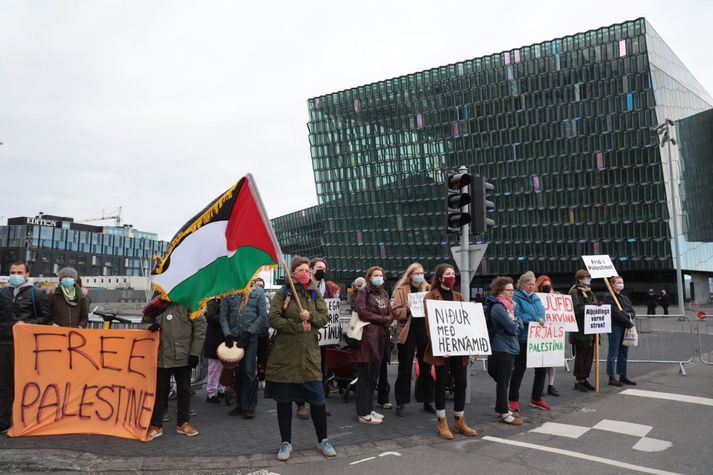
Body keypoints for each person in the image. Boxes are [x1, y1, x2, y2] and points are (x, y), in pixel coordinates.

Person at [264, 256, 336, 461]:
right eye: (300, 270)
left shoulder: (314, 293)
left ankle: (323, 439)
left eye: (307, 270)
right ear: (292, 273)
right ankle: (285, 442)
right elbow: (273, 318)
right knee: (284, 400)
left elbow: (323, 318)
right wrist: (297, 325)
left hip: (309, 356)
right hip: (285, 357)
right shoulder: (283, 293)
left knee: (317, 400)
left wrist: (310, 317)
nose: (304, 273)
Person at [424, 264, 478, 439]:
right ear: (440, 278)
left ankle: (459, 419)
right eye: (448, 274)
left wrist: (472, 343)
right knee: (441, 383)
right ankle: (442, 421)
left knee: (461, 383)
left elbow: (464, 323)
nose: (451, 277)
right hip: (442, 350)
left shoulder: (459, 297)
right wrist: (440, 345)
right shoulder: (431, 297)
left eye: (453, 274)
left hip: (458, 348)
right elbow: (429, 325)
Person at [142, 298, 206, 440]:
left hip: (183, 356)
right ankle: (156, 425)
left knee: (184, 390)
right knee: (159, 391)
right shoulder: (156, 304)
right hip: (161, 356)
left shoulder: (190, 302)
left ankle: (183, 422)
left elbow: (200, 327)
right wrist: (149, 327)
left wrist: (194, 353)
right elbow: (144, 323)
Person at [0, 261, 51, 432]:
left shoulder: (36, 294)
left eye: (19, 272)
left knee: (25, 384)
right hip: (4, 344)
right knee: (4, 384)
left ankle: (24, 420)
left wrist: (26, 323)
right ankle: (4, 421)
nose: (15, 275)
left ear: (27, 274)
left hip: (26, 347)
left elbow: (46, 318)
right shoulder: (3, 292)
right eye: (13, 271)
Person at [294, 258, 337, 420]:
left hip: (323, 336)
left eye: (324, 268)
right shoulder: (304, 287)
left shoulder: (328, 289)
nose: (322, 271)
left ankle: (319, 402)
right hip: (306, 335)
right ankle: (301, 404)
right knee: (303, 368)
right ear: (311, 269)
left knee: (320, 369)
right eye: (319, 268)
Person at [392, 262, 435, 417]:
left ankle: (426, 400)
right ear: (410, 275)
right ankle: (401, 402)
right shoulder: (401, 290)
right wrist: (407, 309)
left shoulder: (428, 288)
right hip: (408, 332)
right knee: (404, 368)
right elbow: (395, 312)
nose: (419, 275)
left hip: (424, 332)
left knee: (426, 367)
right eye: (416, 273)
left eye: (421, 272)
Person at [221, 279, 268, 419]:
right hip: (234, 338)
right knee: (238, 371)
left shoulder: (258, 291)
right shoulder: (228, 292)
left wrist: (250, 332)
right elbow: (223, 316)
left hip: (251, 337)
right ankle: (240, 404)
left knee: (248, 370)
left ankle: (250, 406)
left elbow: (262, 316)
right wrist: (227, 334)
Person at [354, 266, 394, 424]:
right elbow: (362, 312)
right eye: (375, 275)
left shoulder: (384, 293)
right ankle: (362, 412)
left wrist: (387, 318)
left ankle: (369, 408)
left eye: (381, 275)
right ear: (369, 277)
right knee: (365, 376)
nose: (379, 277)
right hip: (368, 339)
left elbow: (391, 312)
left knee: (373, 376)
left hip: (382, 338)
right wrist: (383, 319)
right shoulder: (364, 292)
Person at [509, 271, 549, 412]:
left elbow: (542, 314)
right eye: (528, 284)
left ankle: (536, 398)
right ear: (521, 284)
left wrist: (543, 320)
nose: (531, 287)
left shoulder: (536, 298)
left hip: (538, 338)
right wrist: (536, 320)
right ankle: (513, 399)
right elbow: (518, 315)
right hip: (523, 338)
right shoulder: (516, 297)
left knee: (542, 369)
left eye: (533, 284)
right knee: (519, 369)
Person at [485, 276, 522, 426]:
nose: (512, 293)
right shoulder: (499, 308)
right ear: (500, 290)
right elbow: (513, 327)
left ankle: (502, 408)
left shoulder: (509, 306)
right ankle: (503, 412)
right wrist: (516, 323)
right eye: (508, 290)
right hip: (502, 348)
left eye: (513, 290)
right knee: (503, 382)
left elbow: (517, 323)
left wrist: (516, 323)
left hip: (509, 347)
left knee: (503, 381)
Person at [603, 276, 637, 387]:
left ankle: (623, 375)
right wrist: (627, 320)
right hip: (615, 327)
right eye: (618, 282)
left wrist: (628, 315)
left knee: (623, 352)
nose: (621, 284)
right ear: (612, 284)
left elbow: (632, 311)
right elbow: (614, 312)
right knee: (613, 352)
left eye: (622, 282)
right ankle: (611, 377)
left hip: (625, 327)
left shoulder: (624, 298)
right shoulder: (609, 297)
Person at [568, 270, 597, 392]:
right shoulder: (574, 291)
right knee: (581, 355)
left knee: (589, 355)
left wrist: (597, 305)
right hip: (580, 329)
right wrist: (591, 307)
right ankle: (578, 380)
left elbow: (594, 302)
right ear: (580, 279)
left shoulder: (589, 291)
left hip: (590, 328)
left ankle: (585, 379)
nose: (588, 279)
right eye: (586, 277)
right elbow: (576, 309)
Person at [535, 275, 559, 397]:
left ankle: (551, 384)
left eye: (549, 285)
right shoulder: (536, 298)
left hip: (553, 331)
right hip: (542, 331)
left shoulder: (554, 296)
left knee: (552, 361)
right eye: (545, 285)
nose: (548, 287)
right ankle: (541, 386)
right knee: (542, 361)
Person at [203, 298, 226, 404]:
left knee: (223, 367)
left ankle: (221, 389)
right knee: (214, 368)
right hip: (215, 339)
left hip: (222, 339)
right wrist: (225, 315)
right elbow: (210, 318)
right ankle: (211, 393)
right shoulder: (212, 302)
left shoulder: (220, 302)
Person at [254, 278, 271, 390]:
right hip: (252, 332)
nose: (260, 287)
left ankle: (262, 378)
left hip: (263, 333)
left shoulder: (267, 299)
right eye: (258, 285)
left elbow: (268, 315)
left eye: (262, 285)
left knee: (262, 358)